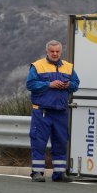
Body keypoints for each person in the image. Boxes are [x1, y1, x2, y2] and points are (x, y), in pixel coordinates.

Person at [26, 40, 80, 182]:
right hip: (42, 111)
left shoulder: (68, 67)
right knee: (38, 142)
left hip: (60, 111)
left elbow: (76, 84)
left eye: (57, 51)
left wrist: (69, 84)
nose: (55, 54)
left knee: (61, 142)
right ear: (47, 52)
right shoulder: (37, 66)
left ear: (60, 52)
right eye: (52, 51)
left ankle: (59, 174)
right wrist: (49, 84)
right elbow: (30, 84)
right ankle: (37, 173)